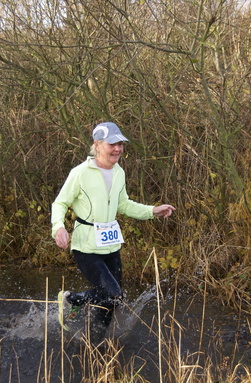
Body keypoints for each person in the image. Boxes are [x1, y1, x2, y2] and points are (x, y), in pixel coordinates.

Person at [51, 122, 175, 329]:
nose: (117, 149)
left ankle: (95, 343)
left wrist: (153, 211)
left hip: (111, 246)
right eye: (112, 144)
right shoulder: (80, 173)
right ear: (97, 145)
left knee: (113, 302)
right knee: (113, 293)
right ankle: (72, 300)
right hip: (86, 247)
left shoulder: (119, 173)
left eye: (120, 144)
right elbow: (60, 203)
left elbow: (124, 205)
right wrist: (59, 227)